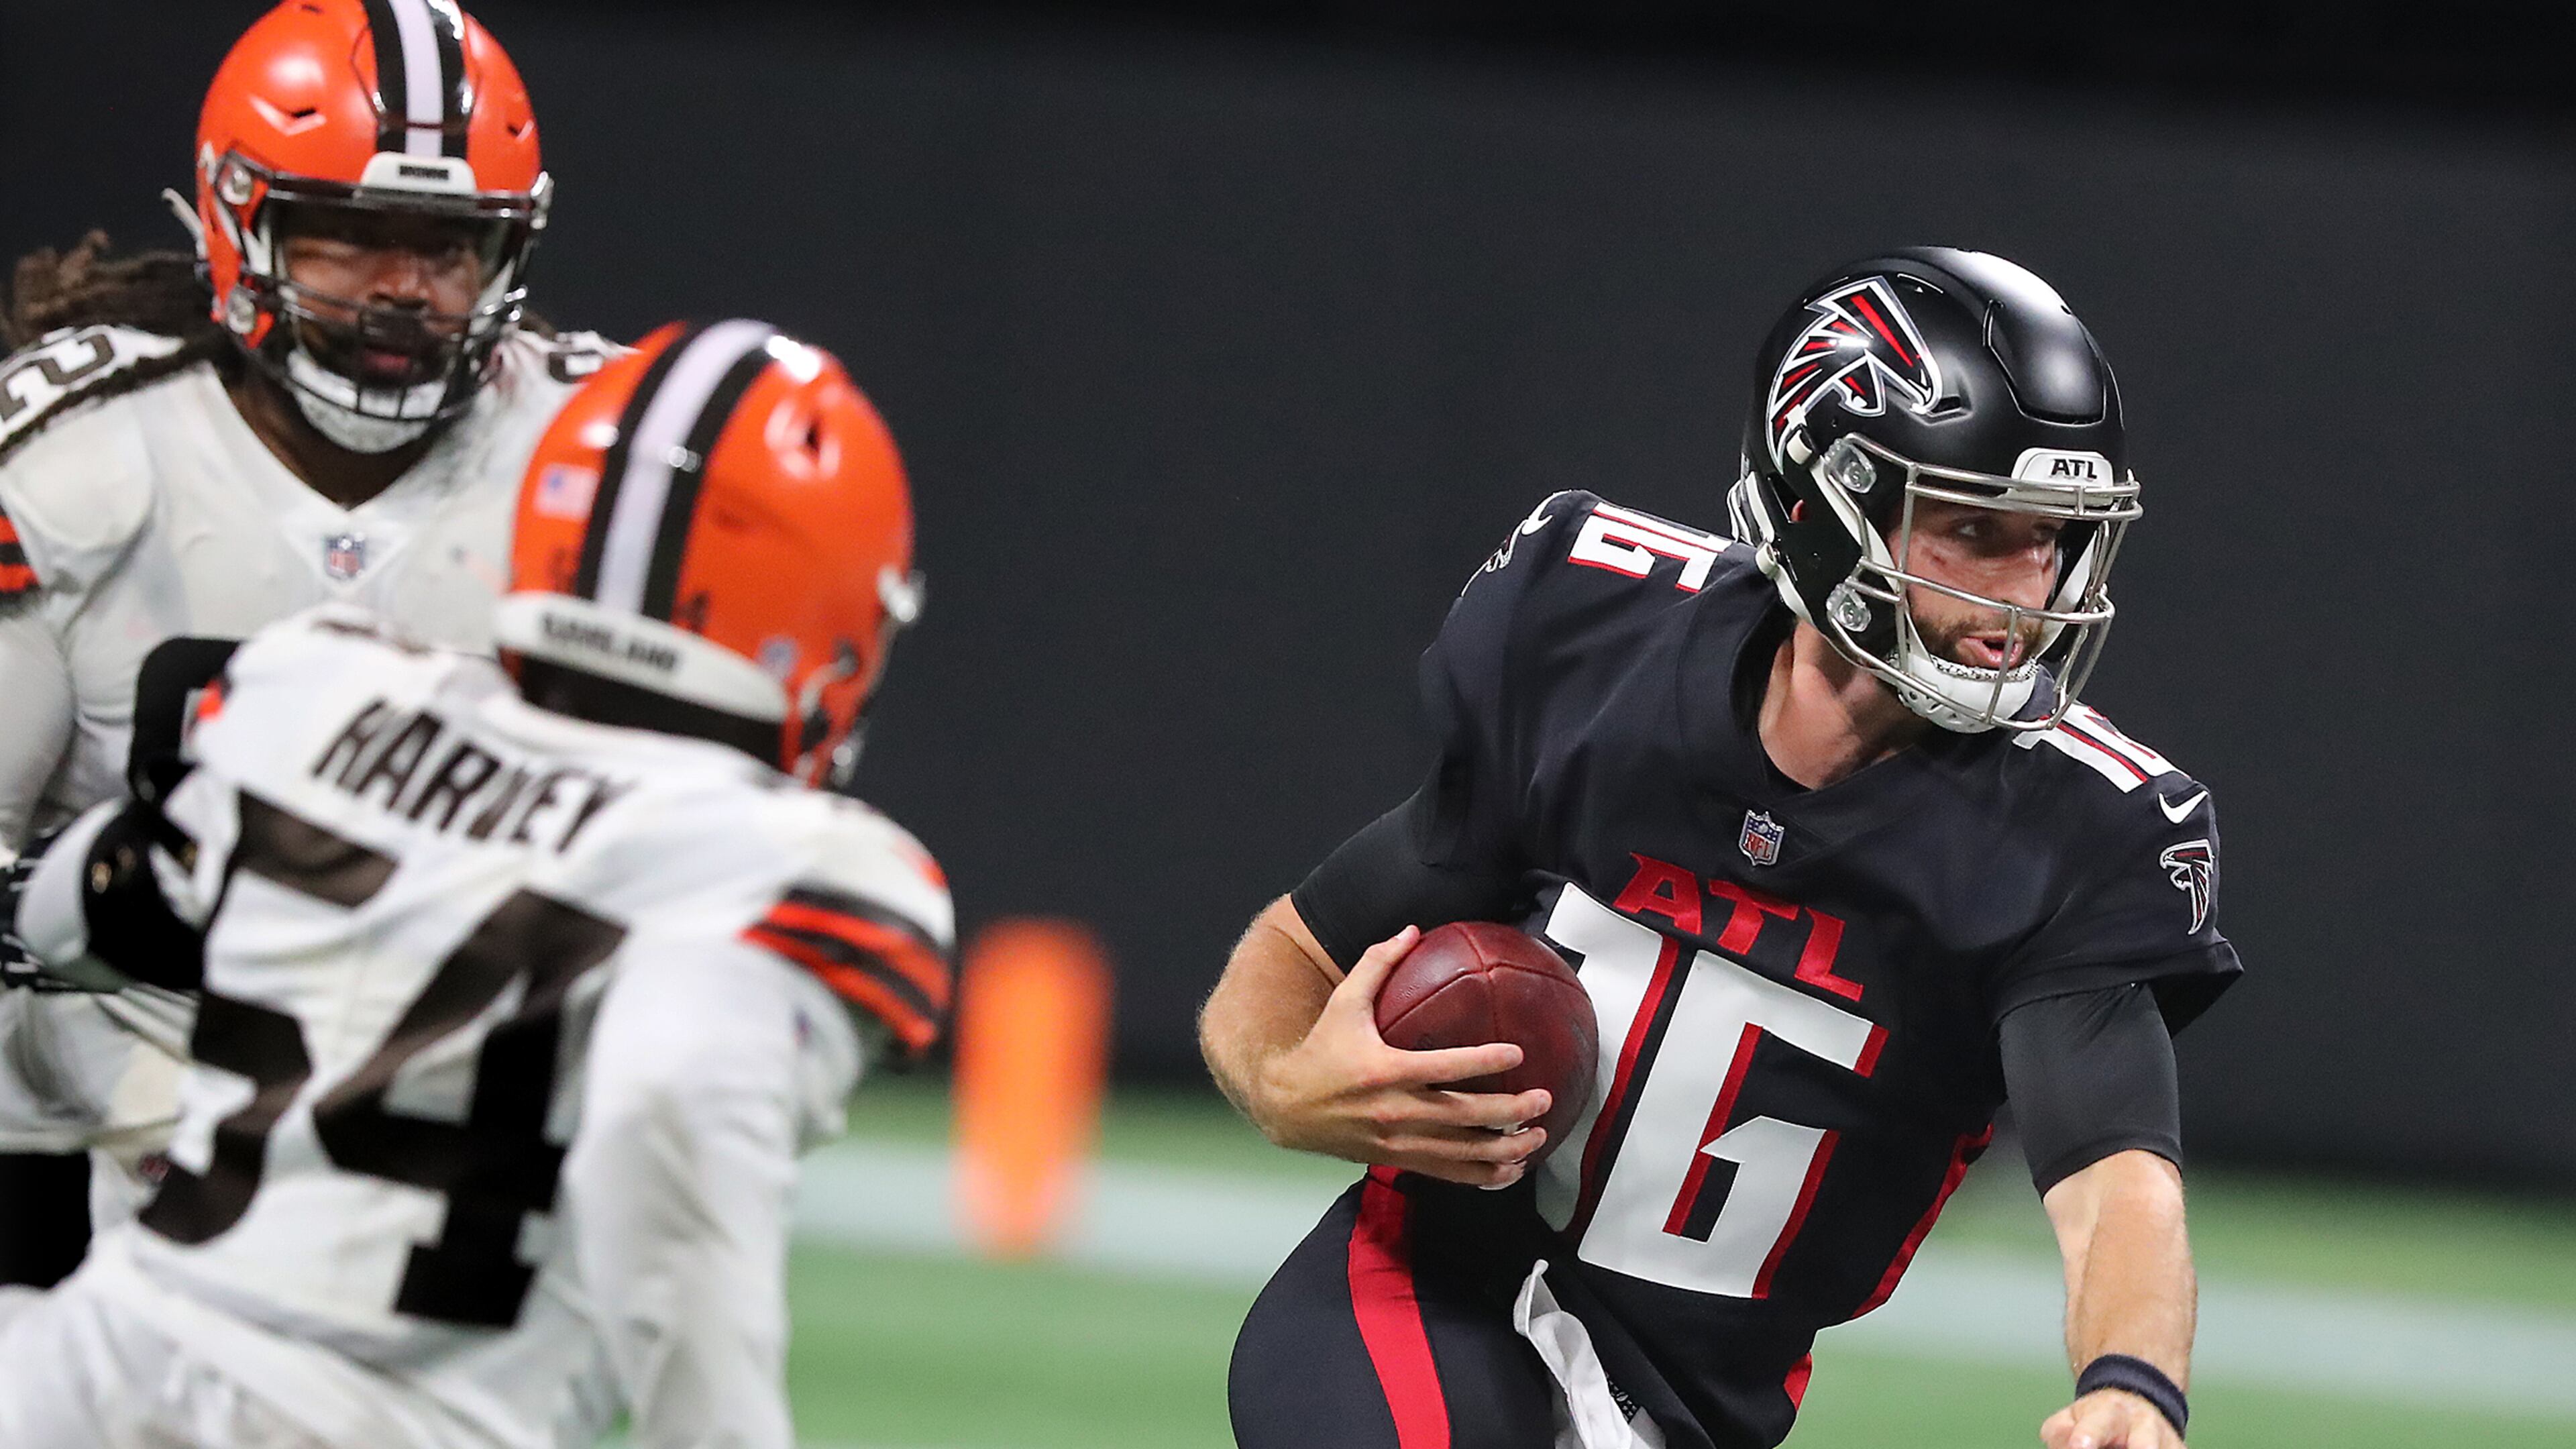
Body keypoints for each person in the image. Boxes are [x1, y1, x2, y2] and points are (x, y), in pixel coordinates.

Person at [1203, 248, 2237, 1449]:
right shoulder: (1598, 642)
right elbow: (1299, 946)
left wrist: (2133, 1386)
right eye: (1975, 529)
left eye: (2052, 537)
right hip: (1424, 1302)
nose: (2028, 590)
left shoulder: (2077, 831)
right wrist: (1286, 1088)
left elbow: (2117, 1184)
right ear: (1819, 502)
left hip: (1687, 1409)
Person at [0, 318, 949, 1449]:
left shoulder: (321, 692)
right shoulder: (788, 861)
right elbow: (670, 1104)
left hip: (91, 1374)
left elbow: (90, 904)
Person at [0, 0, 615, 1285]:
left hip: (418, 1166)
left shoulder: (586, 465)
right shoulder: (74, 460)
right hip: (76, 1143)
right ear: (240, 218)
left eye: (450, 246)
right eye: (354, 237)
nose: (405, 289)